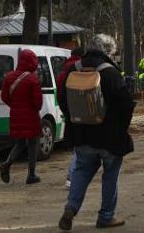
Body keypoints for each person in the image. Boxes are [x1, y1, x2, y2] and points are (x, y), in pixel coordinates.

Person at [58, 34, 135, 230]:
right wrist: (121, 128)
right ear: (109, 51)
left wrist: (74, 120)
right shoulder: (111, 72)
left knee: (81, 172)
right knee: (110, 175)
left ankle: (71, 208)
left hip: (82, 133)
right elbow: (126, 104)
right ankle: (106, 216)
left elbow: (62, 98)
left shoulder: (73, 69)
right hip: (109, 136)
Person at [0, 49, 43, 185]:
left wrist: (16, 106)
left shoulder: (9, 77)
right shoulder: (33, 79)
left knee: (19, 143)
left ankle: (7, 163)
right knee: (33, 143)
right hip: (31, 117)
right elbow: (38, 103)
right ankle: (31, 174)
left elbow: (4, 97)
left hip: (15, 115)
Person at [56, 47, 85, 189]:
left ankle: (73, 176)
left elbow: (60, 94)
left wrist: (66, 111)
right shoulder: (82, 69)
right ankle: (72, 177)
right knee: (82, 148)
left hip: (71, 113)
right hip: (83, 114)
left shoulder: (63, 70)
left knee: (79, 147)